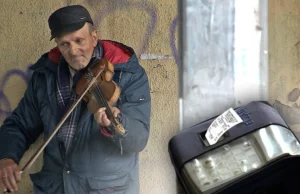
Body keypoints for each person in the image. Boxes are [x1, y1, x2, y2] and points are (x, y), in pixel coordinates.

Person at [0, 5, 151, 194]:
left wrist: (116, 123)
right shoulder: (46, 76)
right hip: (57, 187)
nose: (73, 50)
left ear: (94, 37)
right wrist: (7, 156)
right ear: (57, 44)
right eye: (64, 44)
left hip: (106, 189)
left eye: (80, 41)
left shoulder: (128, 73)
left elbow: (139, 140)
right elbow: (20, 124)